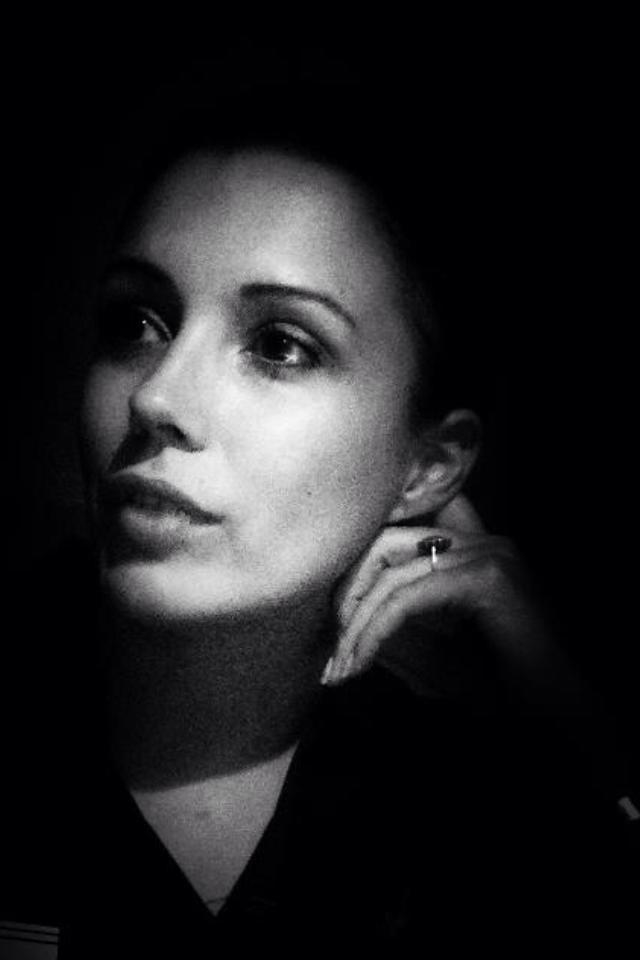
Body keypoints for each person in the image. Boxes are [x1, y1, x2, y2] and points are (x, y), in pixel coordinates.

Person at [3, 80, 636, 957]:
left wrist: (584, 743)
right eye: (135, 323)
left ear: (428, 466)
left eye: (279, 345)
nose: (156, 397)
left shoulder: (487, 827)